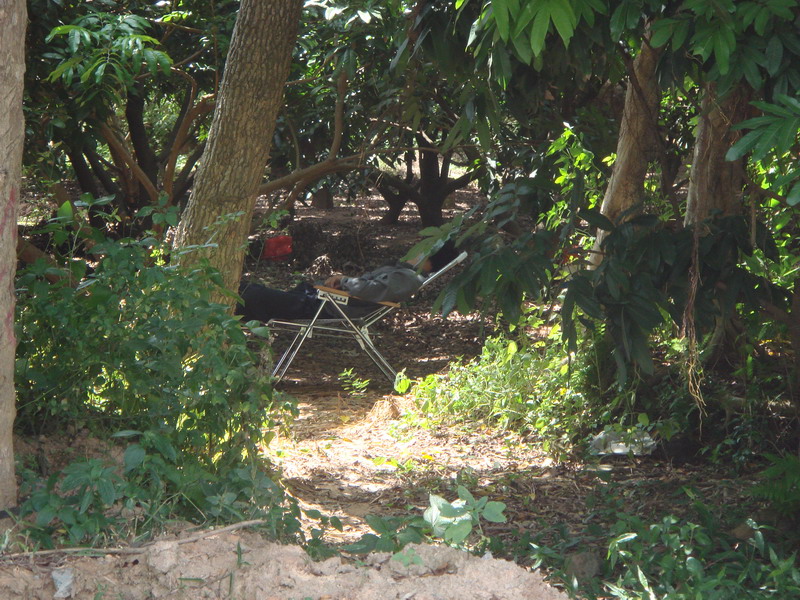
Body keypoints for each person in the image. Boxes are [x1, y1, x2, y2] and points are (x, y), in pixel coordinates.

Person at [236, 242, 458, 323]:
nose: (415, 248)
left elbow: (370, 291)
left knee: (251, 295)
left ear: (428, 258)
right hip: (322, 300)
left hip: (326, 307)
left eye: (423, 248)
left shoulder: (408, 278)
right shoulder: (404, 272)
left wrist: (343, 280)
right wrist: (342, 283)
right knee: (249, 292)